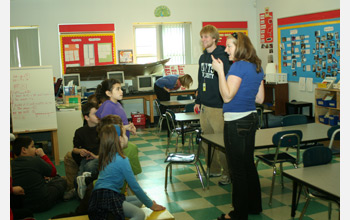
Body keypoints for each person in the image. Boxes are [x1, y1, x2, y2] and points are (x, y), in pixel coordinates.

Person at [211, 32, 265, 220]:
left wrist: (219, 72)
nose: (226, 50)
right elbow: (260, 98)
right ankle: (254, 206)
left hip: (236, 123)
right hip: (251, 119)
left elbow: (226, 96)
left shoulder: (237, 67)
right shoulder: (257, 66)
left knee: (238, 169)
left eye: (229, 46)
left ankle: (238, 214)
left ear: (240, 47)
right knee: (248, 164)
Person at [88, 124, 165, 220]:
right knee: (140, 214)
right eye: (125, 135)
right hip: (108, 198)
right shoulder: (122, 160)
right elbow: (134, 187)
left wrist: (147, 201)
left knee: (139, 200)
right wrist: (151, 205)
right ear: (119, 139)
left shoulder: (106, 156)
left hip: (96, 199)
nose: (127, 137)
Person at [194, 24, 231, 185]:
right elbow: (201, 80)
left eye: (206, 37)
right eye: (202, 37)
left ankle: (228, 173)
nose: (203, 40)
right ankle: (214, 169)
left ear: (214, 38)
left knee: (222, 143)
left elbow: (229, 81)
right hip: (204, 107)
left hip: (218, 107)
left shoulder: (223, 56)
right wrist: (198, 101)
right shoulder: (203, 58)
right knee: (207, 141)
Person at [11, 136, 67, 212]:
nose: (35, 149)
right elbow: (53, 172)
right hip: (43, 203)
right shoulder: (35, 160)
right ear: (24, 150)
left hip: (23, 205)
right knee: (60, 180)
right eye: (33, 146)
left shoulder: (11, 164)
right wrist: (43, 155)